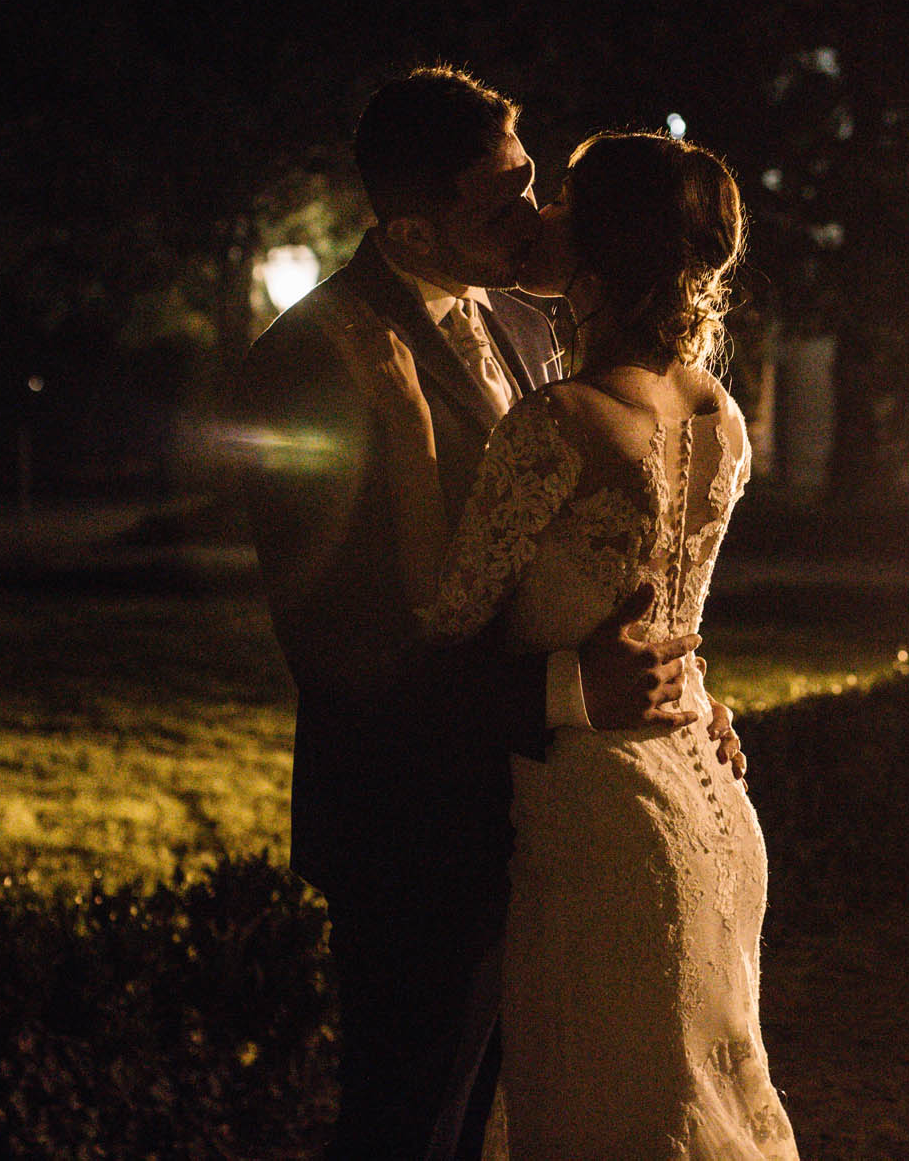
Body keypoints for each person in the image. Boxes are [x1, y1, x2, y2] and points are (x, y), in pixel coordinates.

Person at [235, 68, 719, 1159]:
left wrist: (678, 688)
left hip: (548, 809)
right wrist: (562, 690)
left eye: (532, 179)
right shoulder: (307, 366)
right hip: (410, 821)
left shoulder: (525, 323)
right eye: (499, 200)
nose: (538, 216)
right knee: (409, 1123)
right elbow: (340, 651)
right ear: (411, 224)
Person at [310, 130, 794, 1159]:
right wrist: (697, 687)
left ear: (602, 244)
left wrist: (401, 426)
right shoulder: (721, 414)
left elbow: (444, 611)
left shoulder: (560, 417)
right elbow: (669, 602)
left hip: (603, 820)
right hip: (709, 803)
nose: (539, 215)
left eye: (563, 200)